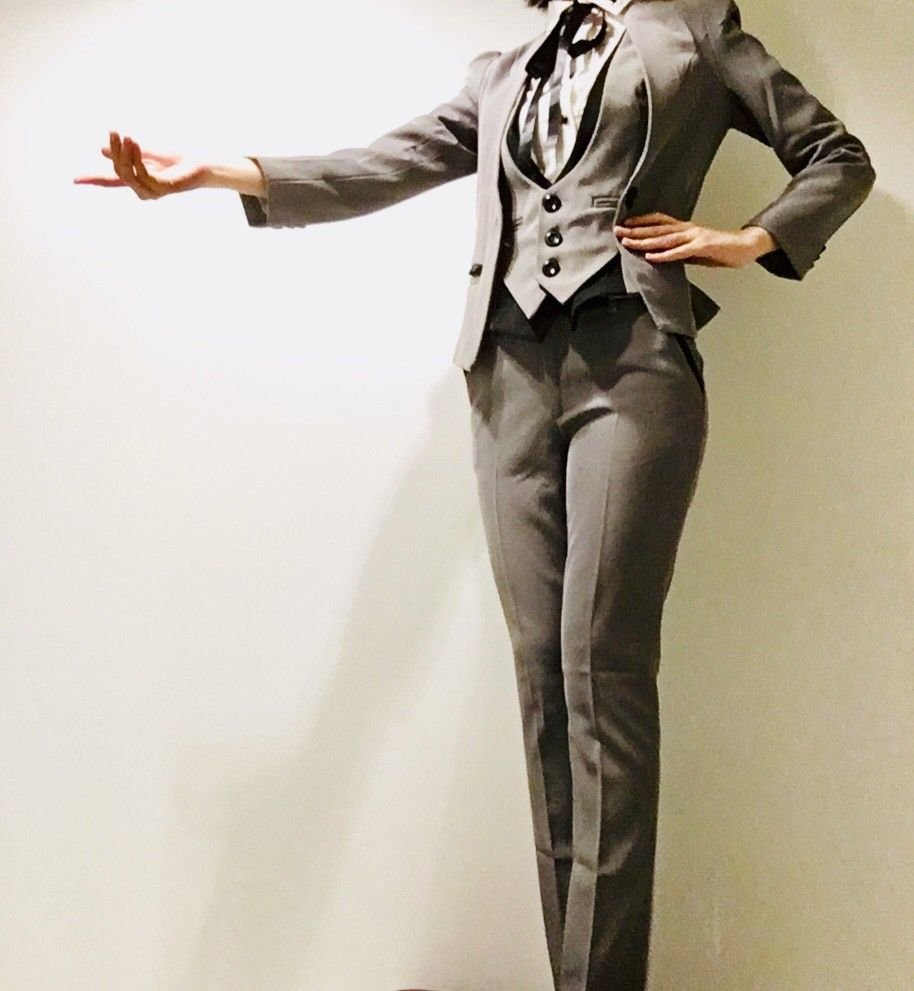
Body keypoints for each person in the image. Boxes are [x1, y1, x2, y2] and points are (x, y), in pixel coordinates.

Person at [73, 1, 876, 988]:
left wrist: (747, 238)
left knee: (602, 671)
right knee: (543, 686)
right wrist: (214, 172)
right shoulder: (501, 73)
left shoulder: (696, 32)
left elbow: (836, 155)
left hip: (633, 368)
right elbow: (379, 163)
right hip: (507, 382)